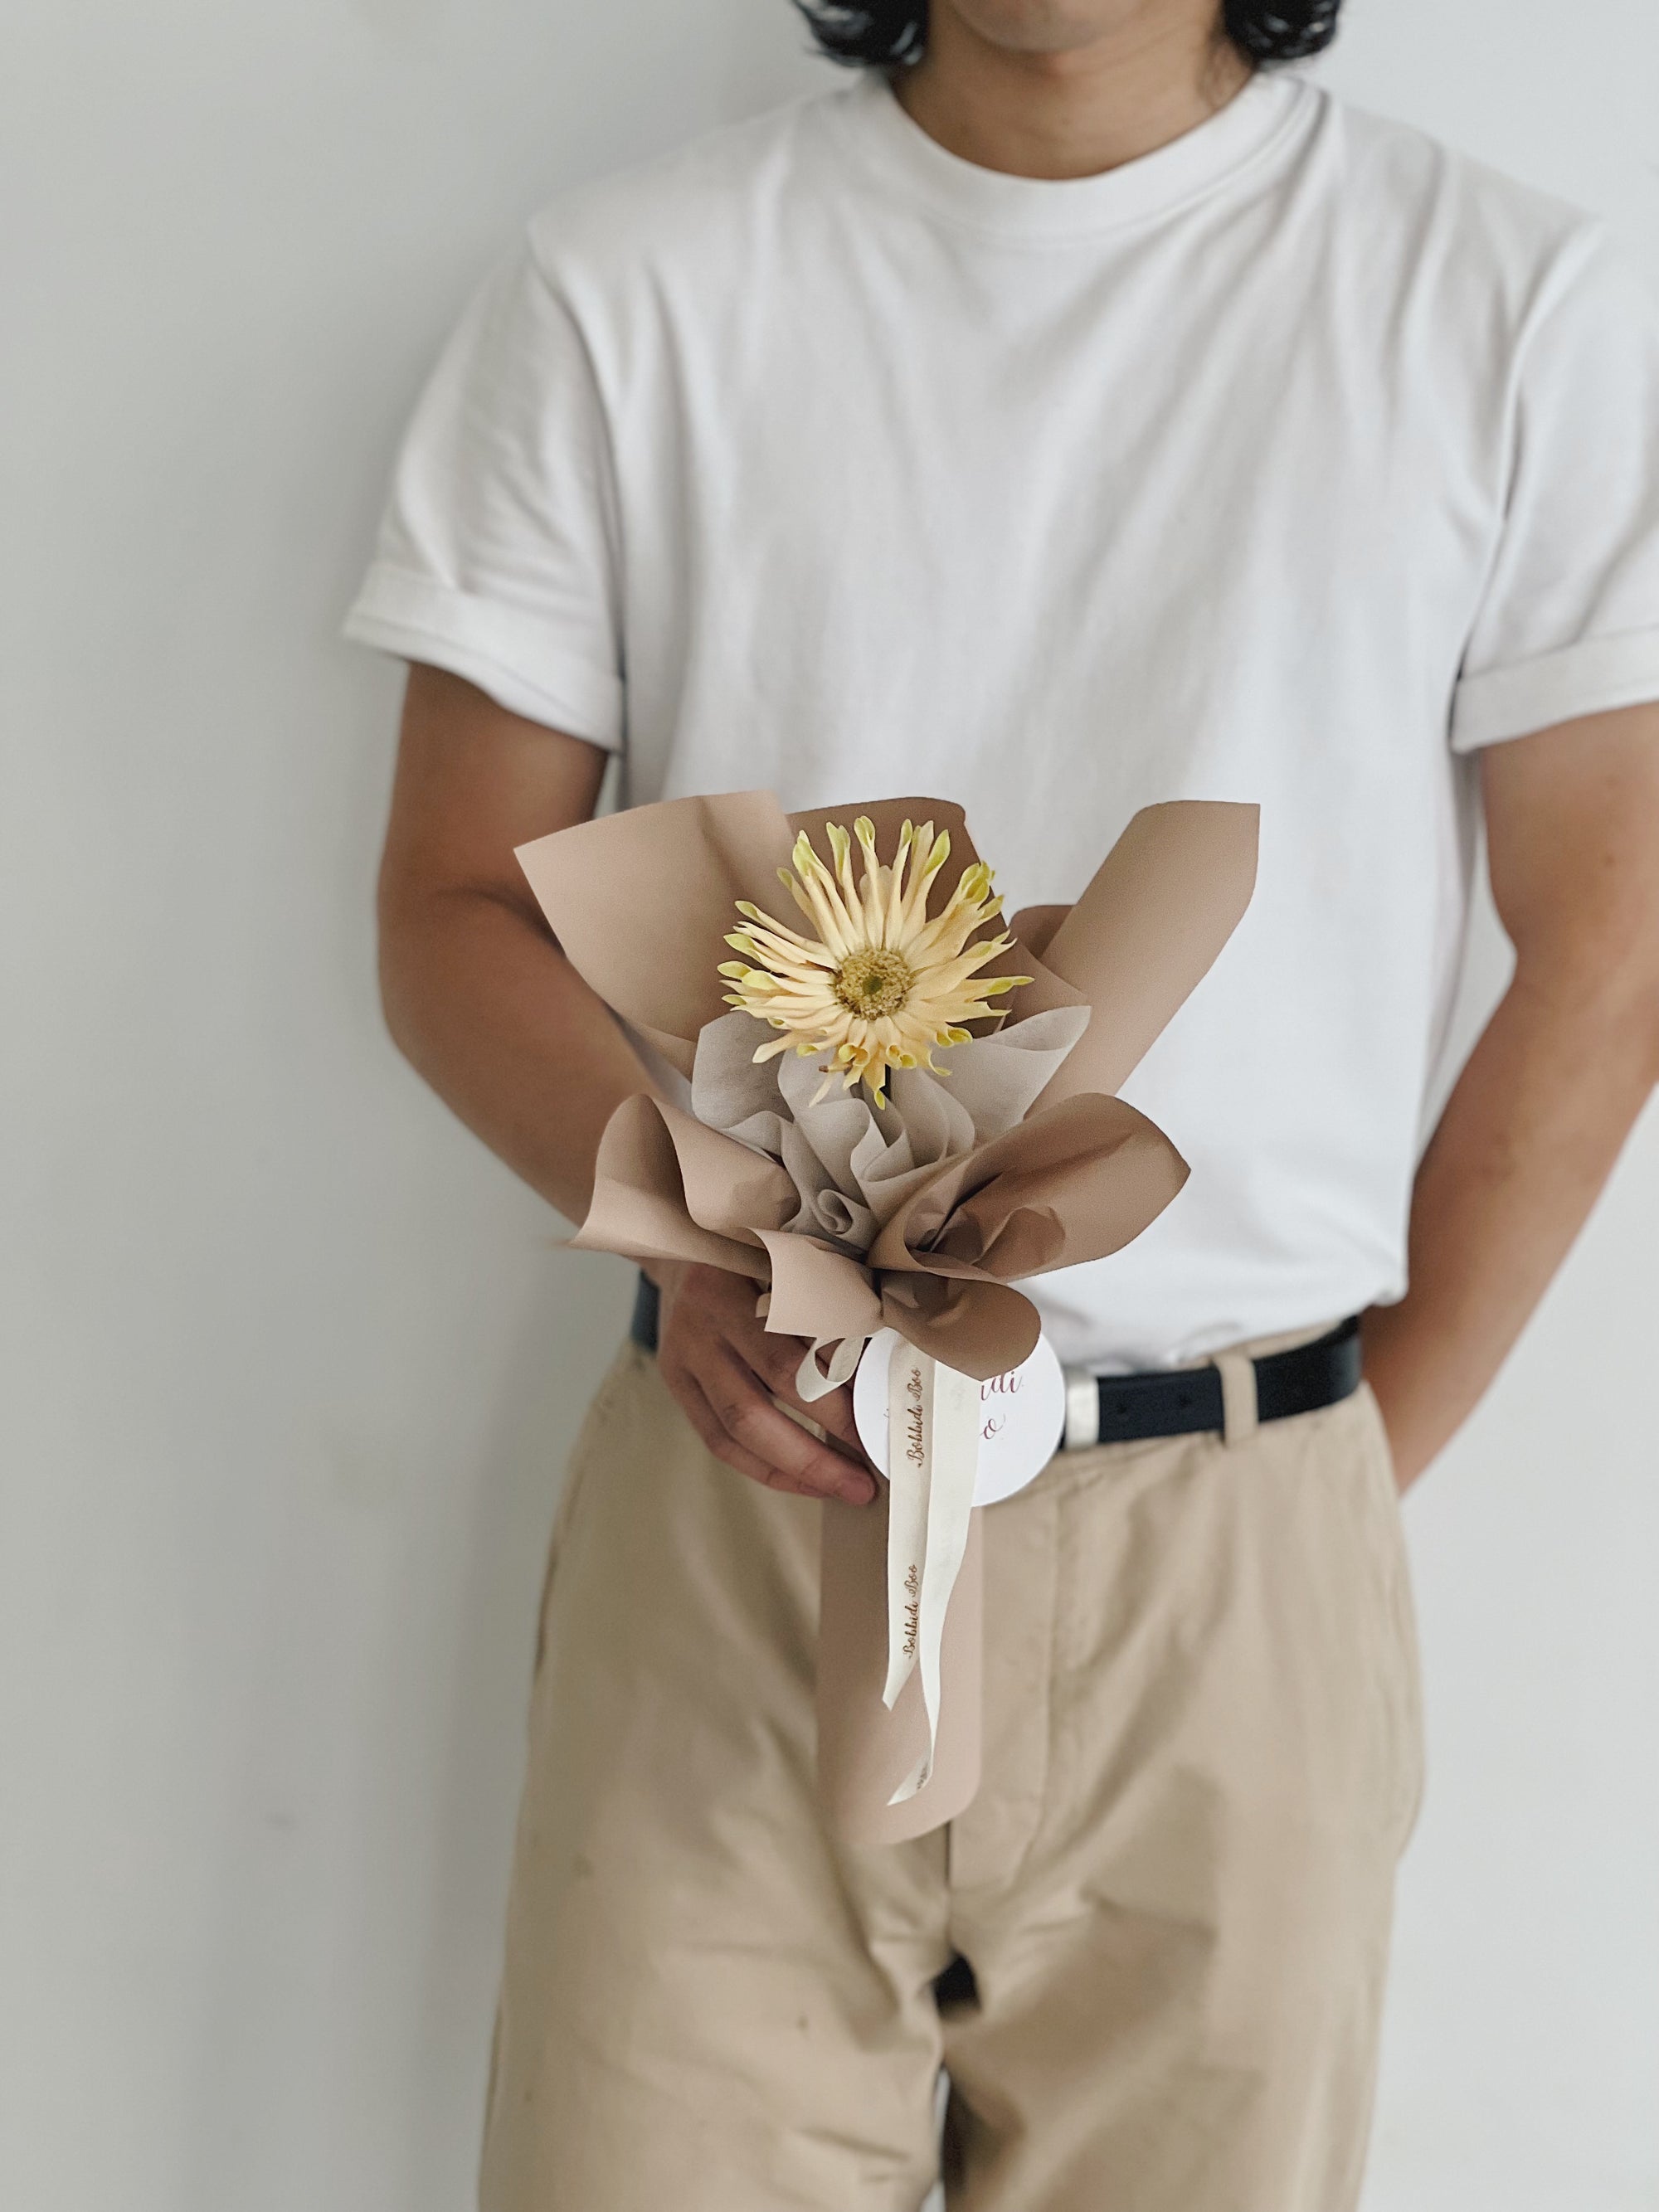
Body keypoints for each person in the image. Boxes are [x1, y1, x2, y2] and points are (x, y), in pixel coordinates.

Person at [345, 0, 1659, 2203]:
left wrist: (1327, 1464)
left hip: (1230, 1546)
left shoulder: (1506, 301)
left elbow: (1613, 944)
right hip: (744, 1490)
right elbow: (452, 897)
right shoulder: (632, 285)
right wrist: (695, 1239)